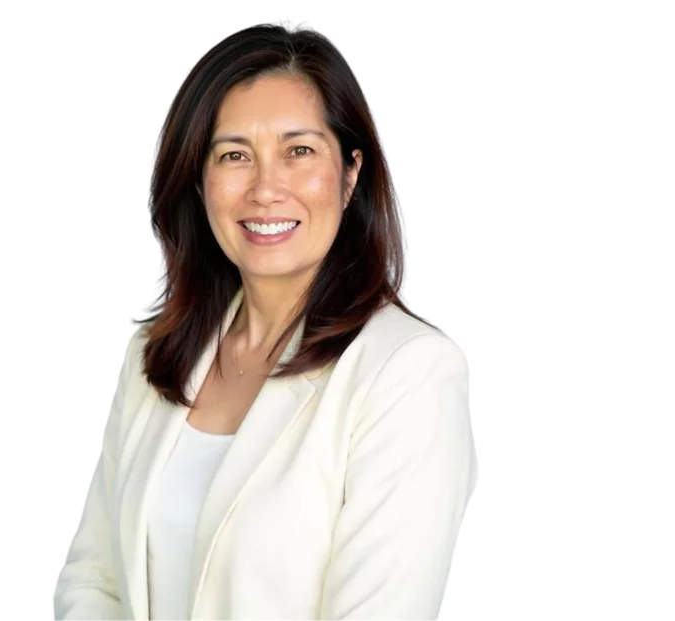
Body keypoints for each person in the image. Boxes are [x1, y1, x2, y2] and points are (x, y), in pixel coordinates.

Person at [53, 24, 478, 621]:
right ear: (199, 182)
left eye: (298, 150)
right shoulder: (151, 358)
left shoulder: (407, 373)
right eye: (234, 156)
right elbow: (92, 582)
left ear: (350, 172)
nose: (265, 188)